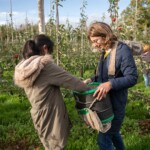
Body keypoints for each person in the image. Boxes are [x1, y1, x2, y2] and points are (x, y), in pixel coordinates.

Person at [14, 34, 90, 150]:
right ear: (45, 48)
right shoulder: (44, 66)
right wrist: (92, 89)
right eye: (50, 51)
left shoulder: (26, 66)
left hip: (38, 113)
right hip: (51, 115)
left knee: (49, 145)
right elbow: (71, 81)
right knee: (56, 146)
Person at [84, 22, 138, 150]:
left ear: (105, 36)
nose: (94, 44)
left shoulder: (121, 50)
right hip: (106, 104)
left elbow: (132, 77)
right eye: (93, 41)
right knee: (113, 134)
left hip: (116, 103)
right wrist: (91, 79)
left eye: (96, 40)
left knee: (104, 138)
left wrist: (110, 84)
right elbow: (105, 76)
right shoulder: (106, 51)